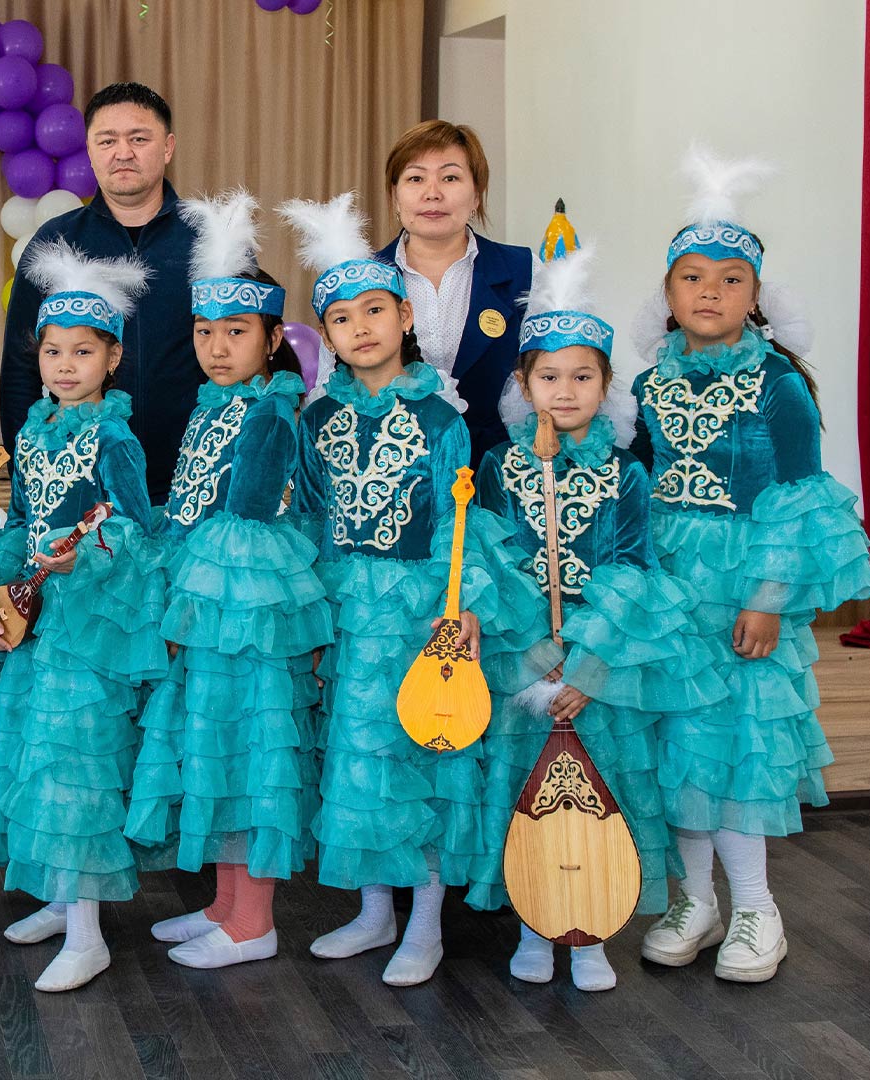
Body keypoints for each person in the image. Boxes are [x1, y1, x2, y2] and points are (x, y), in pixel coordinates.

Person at [279, 192, 547, 987]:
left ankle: (425, 923)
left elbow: (457, 524)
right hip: (346, 612)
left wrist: (457, 609)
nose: (360, 328)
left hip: (419, 611)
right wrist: (310, 615)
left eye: (374, 311)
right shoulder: (316, 420)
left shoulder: (440, 417)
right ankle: (375, 912)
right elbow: (312, 521)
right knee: (358, 757)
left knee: (424, 754)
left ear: (404, 318)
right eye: (340, 319)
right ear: (327, 336)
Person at [631, 146, 870, 983]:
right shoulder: (647, 383)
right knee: (677, 748)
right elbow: (636, 484)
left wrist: (770, 596)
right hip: (670, 592)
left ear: (756, 295)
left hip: (743, 593)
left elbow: (800, 502)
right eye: (693, 277)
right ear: (668, 293)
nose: (710, 292)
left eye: (730, 279)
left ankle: (757, 912)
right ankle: (694, 902)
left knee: (736, 751)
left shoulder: (779, 386)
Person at [471, 241, 719, 991]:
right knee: (526, 797)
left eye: (583, 376)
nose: (566, 390)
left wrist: (586, 665)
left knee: (602, 798)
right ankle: (534, 926)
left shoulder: (626, 473)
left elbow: (632, 571)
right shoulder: (500, 467)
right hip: (526, 661)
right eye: (549, 376)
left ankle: (591, 935)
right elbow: (493, 563)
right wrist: (536, 653)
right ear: (524, 385)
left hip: (598, 670)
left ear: (607, 385)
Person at [124, 190, 332, 970]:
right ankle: (223, 903)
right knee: (212, 746)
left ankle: (255, 923)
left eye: (237, 332)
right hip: (210, 609)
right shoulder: (213, 405)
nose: (217, 346)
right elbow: (188, 506)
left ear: (274, 338)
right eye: (205, 331)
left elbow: (244, 517)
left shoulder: (272, 412)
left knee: (249, 755)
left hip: (250, 616)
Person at [0, 240, 165, 993]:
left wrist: (92, 556)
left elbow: (139, 528)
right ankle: (59, 897)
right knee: (37, 757)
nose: (67, 365)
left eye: (84, 351)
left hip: (90, 626)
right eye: (53, 351)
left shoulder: (115, 435)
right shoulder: (34, 432)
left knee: (77, 763)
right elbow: (23, 524)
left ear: (113, 358)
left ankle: (88, 936)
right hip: (38, 623)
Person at [0, 82, 197, 502]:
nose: (122, 153)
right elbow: (20, 368)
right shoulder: (55, 243)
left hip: (194, 481)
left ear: (168, 147)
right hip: (80, 487)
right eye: (107, 141)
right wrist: (28, 475)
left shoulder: (209, 239)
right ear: (89, 151)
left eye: (139, 139)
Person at [372, 120, 535, 465]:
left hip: (500, 471)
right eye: (415, 179)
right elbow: (331, 384)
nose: (432, 193)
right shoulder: (363, 279)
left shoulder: (527, 271)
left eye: (450, 177)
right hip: (388, 470)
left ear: (476, 194)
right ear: (394, 195)